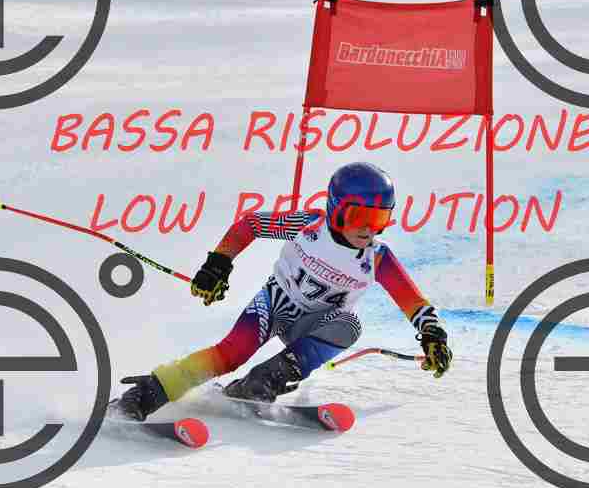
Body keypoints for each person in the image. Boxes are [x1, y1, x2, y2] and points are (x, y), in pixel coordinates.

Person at [115, 162, 452, 420]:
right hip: (275, 305)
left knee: (350, 324)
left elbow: (413, 302)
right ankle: (146, 394)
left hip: (315, 325)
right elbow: (251, 225)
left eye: (379, 219)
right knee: (230, 354)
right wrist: (218, 262)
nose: (368, 229)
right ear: (336, 210)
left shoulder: (376, 258)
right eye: (359, 216)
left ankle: (261, 383)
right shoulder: (309, 225)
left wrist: (432, 334)